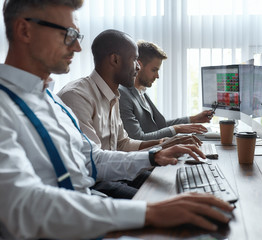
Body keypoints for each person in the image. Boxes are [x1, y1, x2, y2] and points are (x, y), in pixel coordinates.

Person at [0, 1, 233, 239]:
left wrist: (154, 155)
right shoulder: (9, 106)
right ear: (24, 31)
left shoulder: (52, 101)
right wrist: (148, 212)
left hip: (89, 211)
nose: (78, 47)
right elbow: (23, 205)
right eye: (68, 34)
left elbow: (92, 159)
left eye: (77, 35)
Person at [57, 29, 201, 199]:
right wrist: (157, 151)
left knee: (177, 185)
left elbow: (122, 143)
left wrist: (164, 143)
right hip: (96, 181)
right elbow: (93, 161)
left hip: (116, 172)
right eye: (134, 60)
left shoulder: (113, 94)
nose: (138, 66)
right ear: (115, 60)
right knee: (165, 200)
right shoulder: (77, 96)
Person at [119, 40, 214, 140]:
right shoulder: (123, 95)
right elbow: (137, 138)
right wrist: (177, 129)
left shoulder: (141, 91)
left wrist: (193, 119)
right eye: (154, 70)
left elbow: (159, 125)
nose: (157, 76)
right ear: (139, 65)